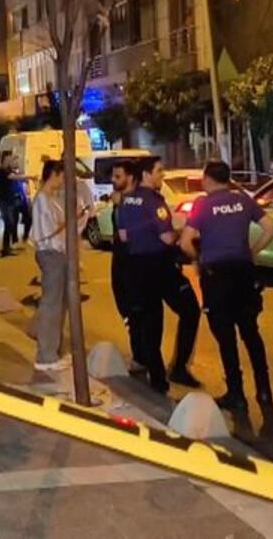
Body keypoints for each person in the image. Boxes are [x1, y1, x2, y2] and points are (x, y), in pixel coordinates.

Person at [179, 160, 273, 410]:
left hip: (217, 276)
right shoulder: (243, 201)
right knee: (251, 332)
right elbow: (270, 228)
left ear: (207, 179)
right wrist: (252, 252)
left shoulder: (202, 205)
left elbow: (185, 242)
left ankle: (236, 393)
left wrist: (198, 259)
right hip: (243, 272)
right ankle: (264, 390)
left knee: (225, 337)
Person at [116, 157, 202, 394]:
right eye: (159, 171)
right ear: (146, 174)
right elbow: (166, 238)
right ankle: (179, 367)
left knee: (150, 322)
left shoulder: (125, 201)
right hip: (160, 267)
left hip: (136, 267)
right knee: (190, 310)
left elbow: (123, 236)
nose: (162, 175)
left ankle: (157, 378)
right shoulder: (154, 202)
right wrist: (181, 232)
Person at [28, 160, 71, 372]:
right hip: (50, 254)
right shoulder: (43, 200)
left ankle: (52, 351)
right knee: (51, 305)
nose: (63, 181)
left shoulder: (50, 198)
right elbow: (45, 233)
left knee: (57, 304)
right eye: (62, 176)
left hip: (56, 253)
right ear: (54, 174)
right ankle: (46, 356)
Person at [107, 160, 145, 372]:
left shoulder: (136, 202)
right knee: (127, 311)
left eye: (118, 176)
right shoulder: (120, 201)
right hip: (120, 263)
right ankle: (140, 354)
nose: (113, 180)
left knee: (136, 312)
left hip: (133, 264)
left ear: (130, 178)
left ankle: (143, 357)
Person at [0, 154, 22, 257]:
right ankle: (5, 249)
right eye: (12, 161)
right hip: (3, 202)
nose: (14, 163)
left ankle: (7, 247)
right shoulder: (2, 172)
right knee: (9, 223)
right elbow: (13, 177)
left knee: (9, 224)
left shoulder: (5, 171)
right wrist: (30, 177)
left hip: (6, 201)